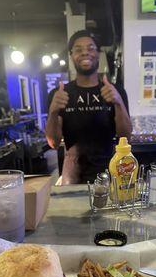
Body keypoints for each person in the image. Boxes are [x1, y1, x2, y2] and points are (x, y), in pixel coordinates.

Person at [45, 29, 132, 184]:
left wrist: (118, 102)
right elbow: (54, 143)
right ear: (71, 56)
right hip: (73, 175)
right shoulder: (59, 94)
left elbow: (125, 136)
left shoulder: (115, 91)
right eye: (78, 49)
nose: (85, 53)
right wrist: (53, 112)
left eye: (91, 48)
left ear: (98, 53)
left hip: (110, 172)